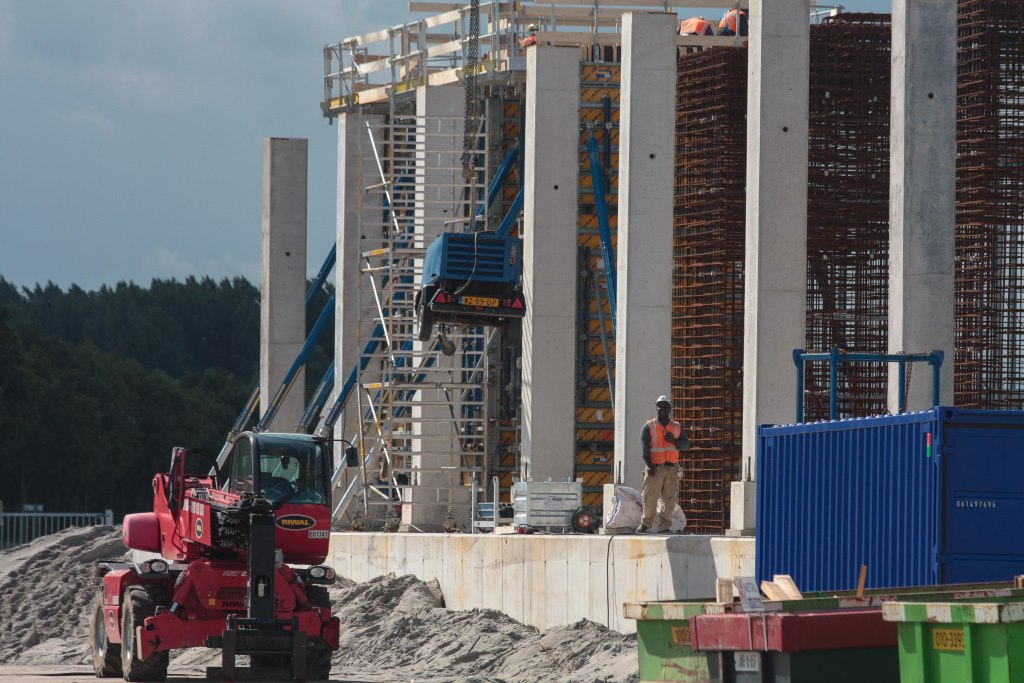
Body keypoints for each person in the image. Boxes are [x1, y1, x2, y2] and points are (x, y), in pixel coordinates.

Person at [636, 395, 690, 534]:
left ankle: (665, 526)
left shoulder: (677, 427)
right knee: (650, 497)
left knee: (669, 499)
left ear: (669, 409)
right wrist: (650, 466)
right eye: (660, 406)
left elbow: (686, 445)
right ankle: (646, 524)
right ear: (657, 408)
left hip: (672, 469)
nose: (662, 409)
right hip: (655, 468)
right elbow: (644, 449)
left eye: (665, 406)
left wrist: (673, 441)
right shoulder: (649, 426)